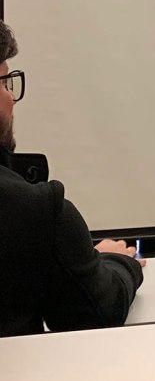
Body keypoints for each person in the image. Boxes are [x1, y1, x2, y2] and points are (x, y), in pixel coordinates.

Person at [0, 20, 144, 337]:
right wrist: (116, 261)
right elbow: (98, 311)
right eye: (5, 82)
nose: (11, 97)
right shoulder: (34, 209)